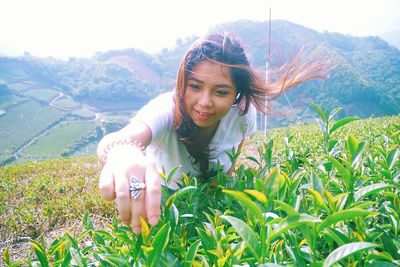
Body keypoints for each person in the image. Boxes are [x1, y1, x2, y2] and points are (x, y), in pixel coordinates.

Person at [97, 32, 329, 233]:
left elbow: (234, 151)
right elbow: (122, 138)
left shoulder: (243, 115)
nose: (205, 103)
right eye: (195, 87)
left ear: (237, 94)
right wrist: (122, 153)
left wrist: (225, 182)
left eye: (221, 92)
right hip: (168, 200)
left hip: (216, 194)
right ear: (182, 83)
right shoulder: (165, 109)